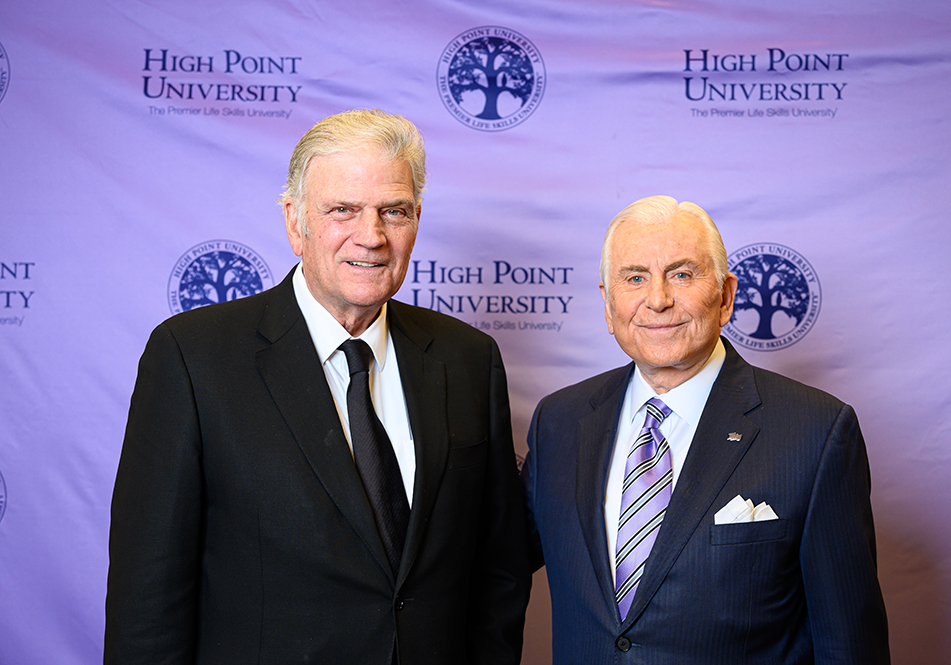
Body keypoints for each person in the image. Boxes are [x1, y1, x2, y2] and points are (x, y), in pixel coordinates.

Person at [106, 109, 531, 665]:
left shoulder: (468, 358)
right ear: (295, 223)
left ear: (416, 220)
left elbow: (498, 567)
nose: (371, 236)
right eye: (343, 210)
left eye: (394, 211)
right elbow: (148, 595)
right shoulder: (193, 358)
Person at [521, 196, 889, 663]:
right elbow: (491, 568)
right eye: (635, 278)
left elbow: (849, 646)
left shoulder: (816, 432)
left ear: (726, 297)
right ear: (608, 306)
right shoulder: (558, 422)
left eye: (681, 274)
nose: (658, 299)